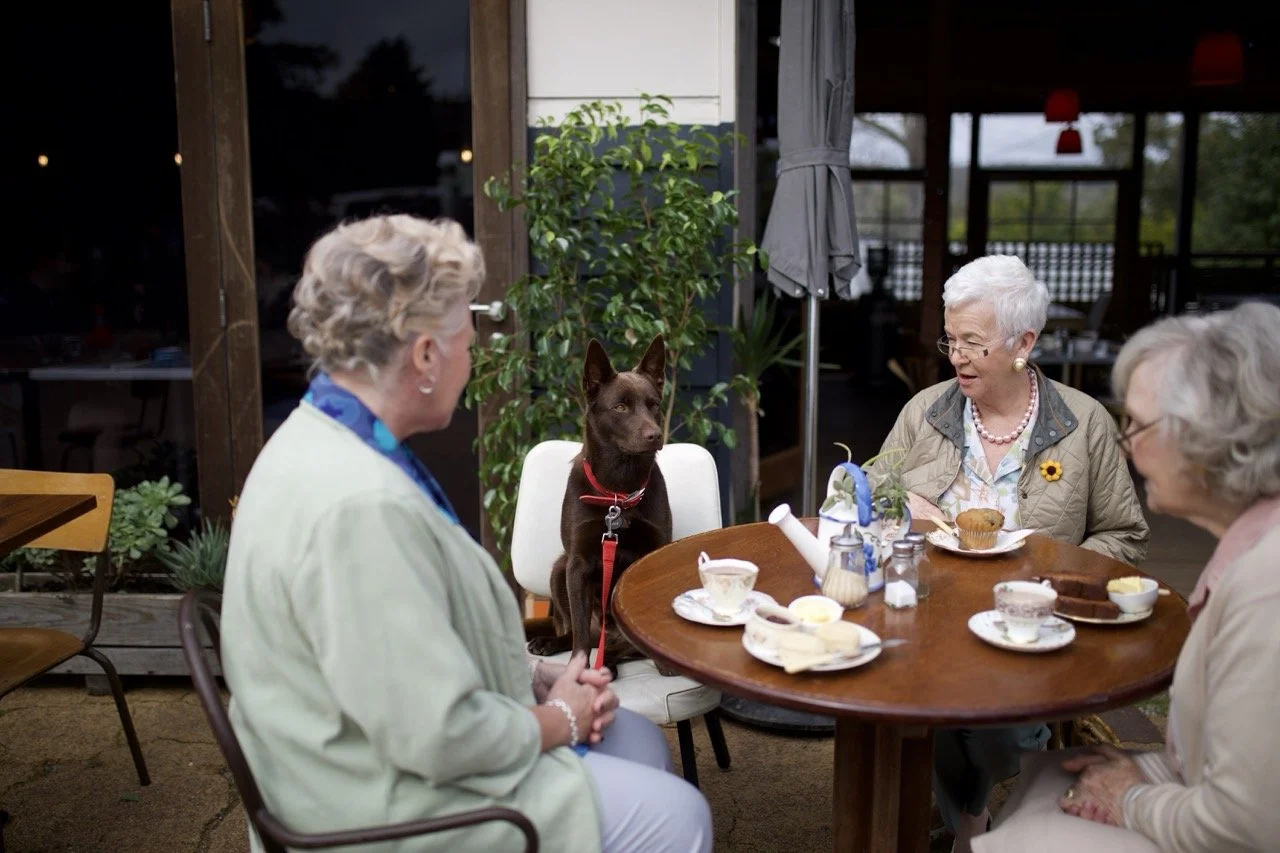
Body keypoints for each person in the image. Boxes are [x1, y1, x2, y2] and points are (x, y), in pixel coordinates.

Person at [220, 215, 712, 853]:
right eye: (467, 334)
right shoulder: (360, 508)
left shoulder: (322, 441)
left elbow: (396, 656)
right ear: (426, 354)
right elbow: (436, 735)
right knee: (680, 814)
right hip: (378, 805)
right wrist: (559, 717)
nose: (475, 352)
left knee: (639, 739)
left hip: (365, 758)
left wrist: (527, 676)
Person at [974, 300, 1280, 853]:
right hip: (1204, 786)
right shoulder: (1252, 547)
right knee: (1051, 773)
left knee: (1029, 820)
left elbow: (1246, 824)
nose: (1126, 442)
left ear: (1207, 435)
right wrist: (1148, 773)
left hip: (1231, 830)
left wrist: (1130, 798)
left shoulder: (1267, 585)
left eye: (1137, 423)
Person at [868, 255, 1150, 851]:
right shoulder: (925, 411)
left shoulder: (1085, 424)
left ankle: (967, 804)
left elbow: (1124, 536)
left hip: (1029, 625)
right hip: (928, 613)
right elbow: (865, 494)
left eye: (973, 342)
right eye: (950, 339)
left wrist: (1048, 583)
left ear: (1024, 342)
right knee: (916, 706)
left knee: (1006, 734)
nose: (957, 356)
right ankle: (970, 820)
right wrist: (897, 505)